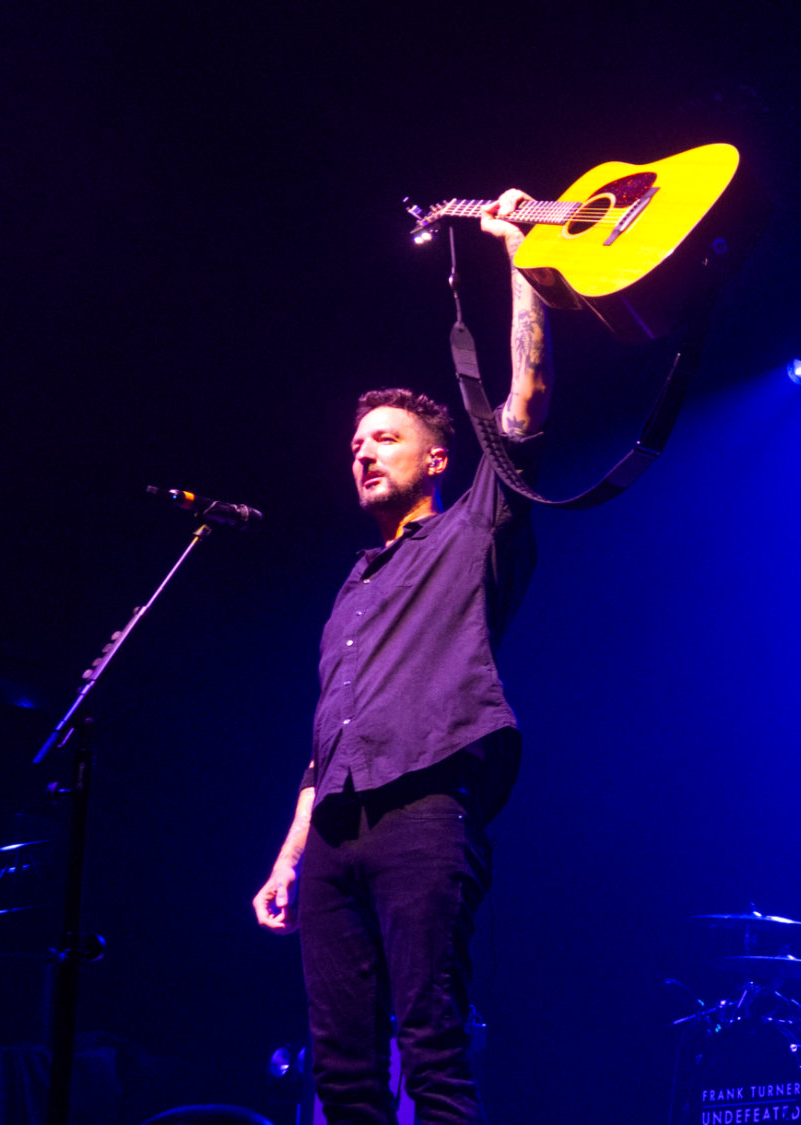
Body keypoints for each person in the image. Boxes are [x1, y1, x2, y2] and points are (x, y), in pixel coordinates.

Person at [252, 190, 552, 1124]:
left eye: (385, 438)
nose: (361, 452)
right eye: (354, 443)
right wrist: (289, 854)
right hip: (335, 831)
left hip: (425, 809)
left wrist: (522, 267)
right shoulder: (349, 587)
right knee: (339, 1070)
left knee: (430, 1044)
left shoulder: (474, 532)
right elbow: (327, 743)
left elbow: (526, 406)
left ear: (434, 460)